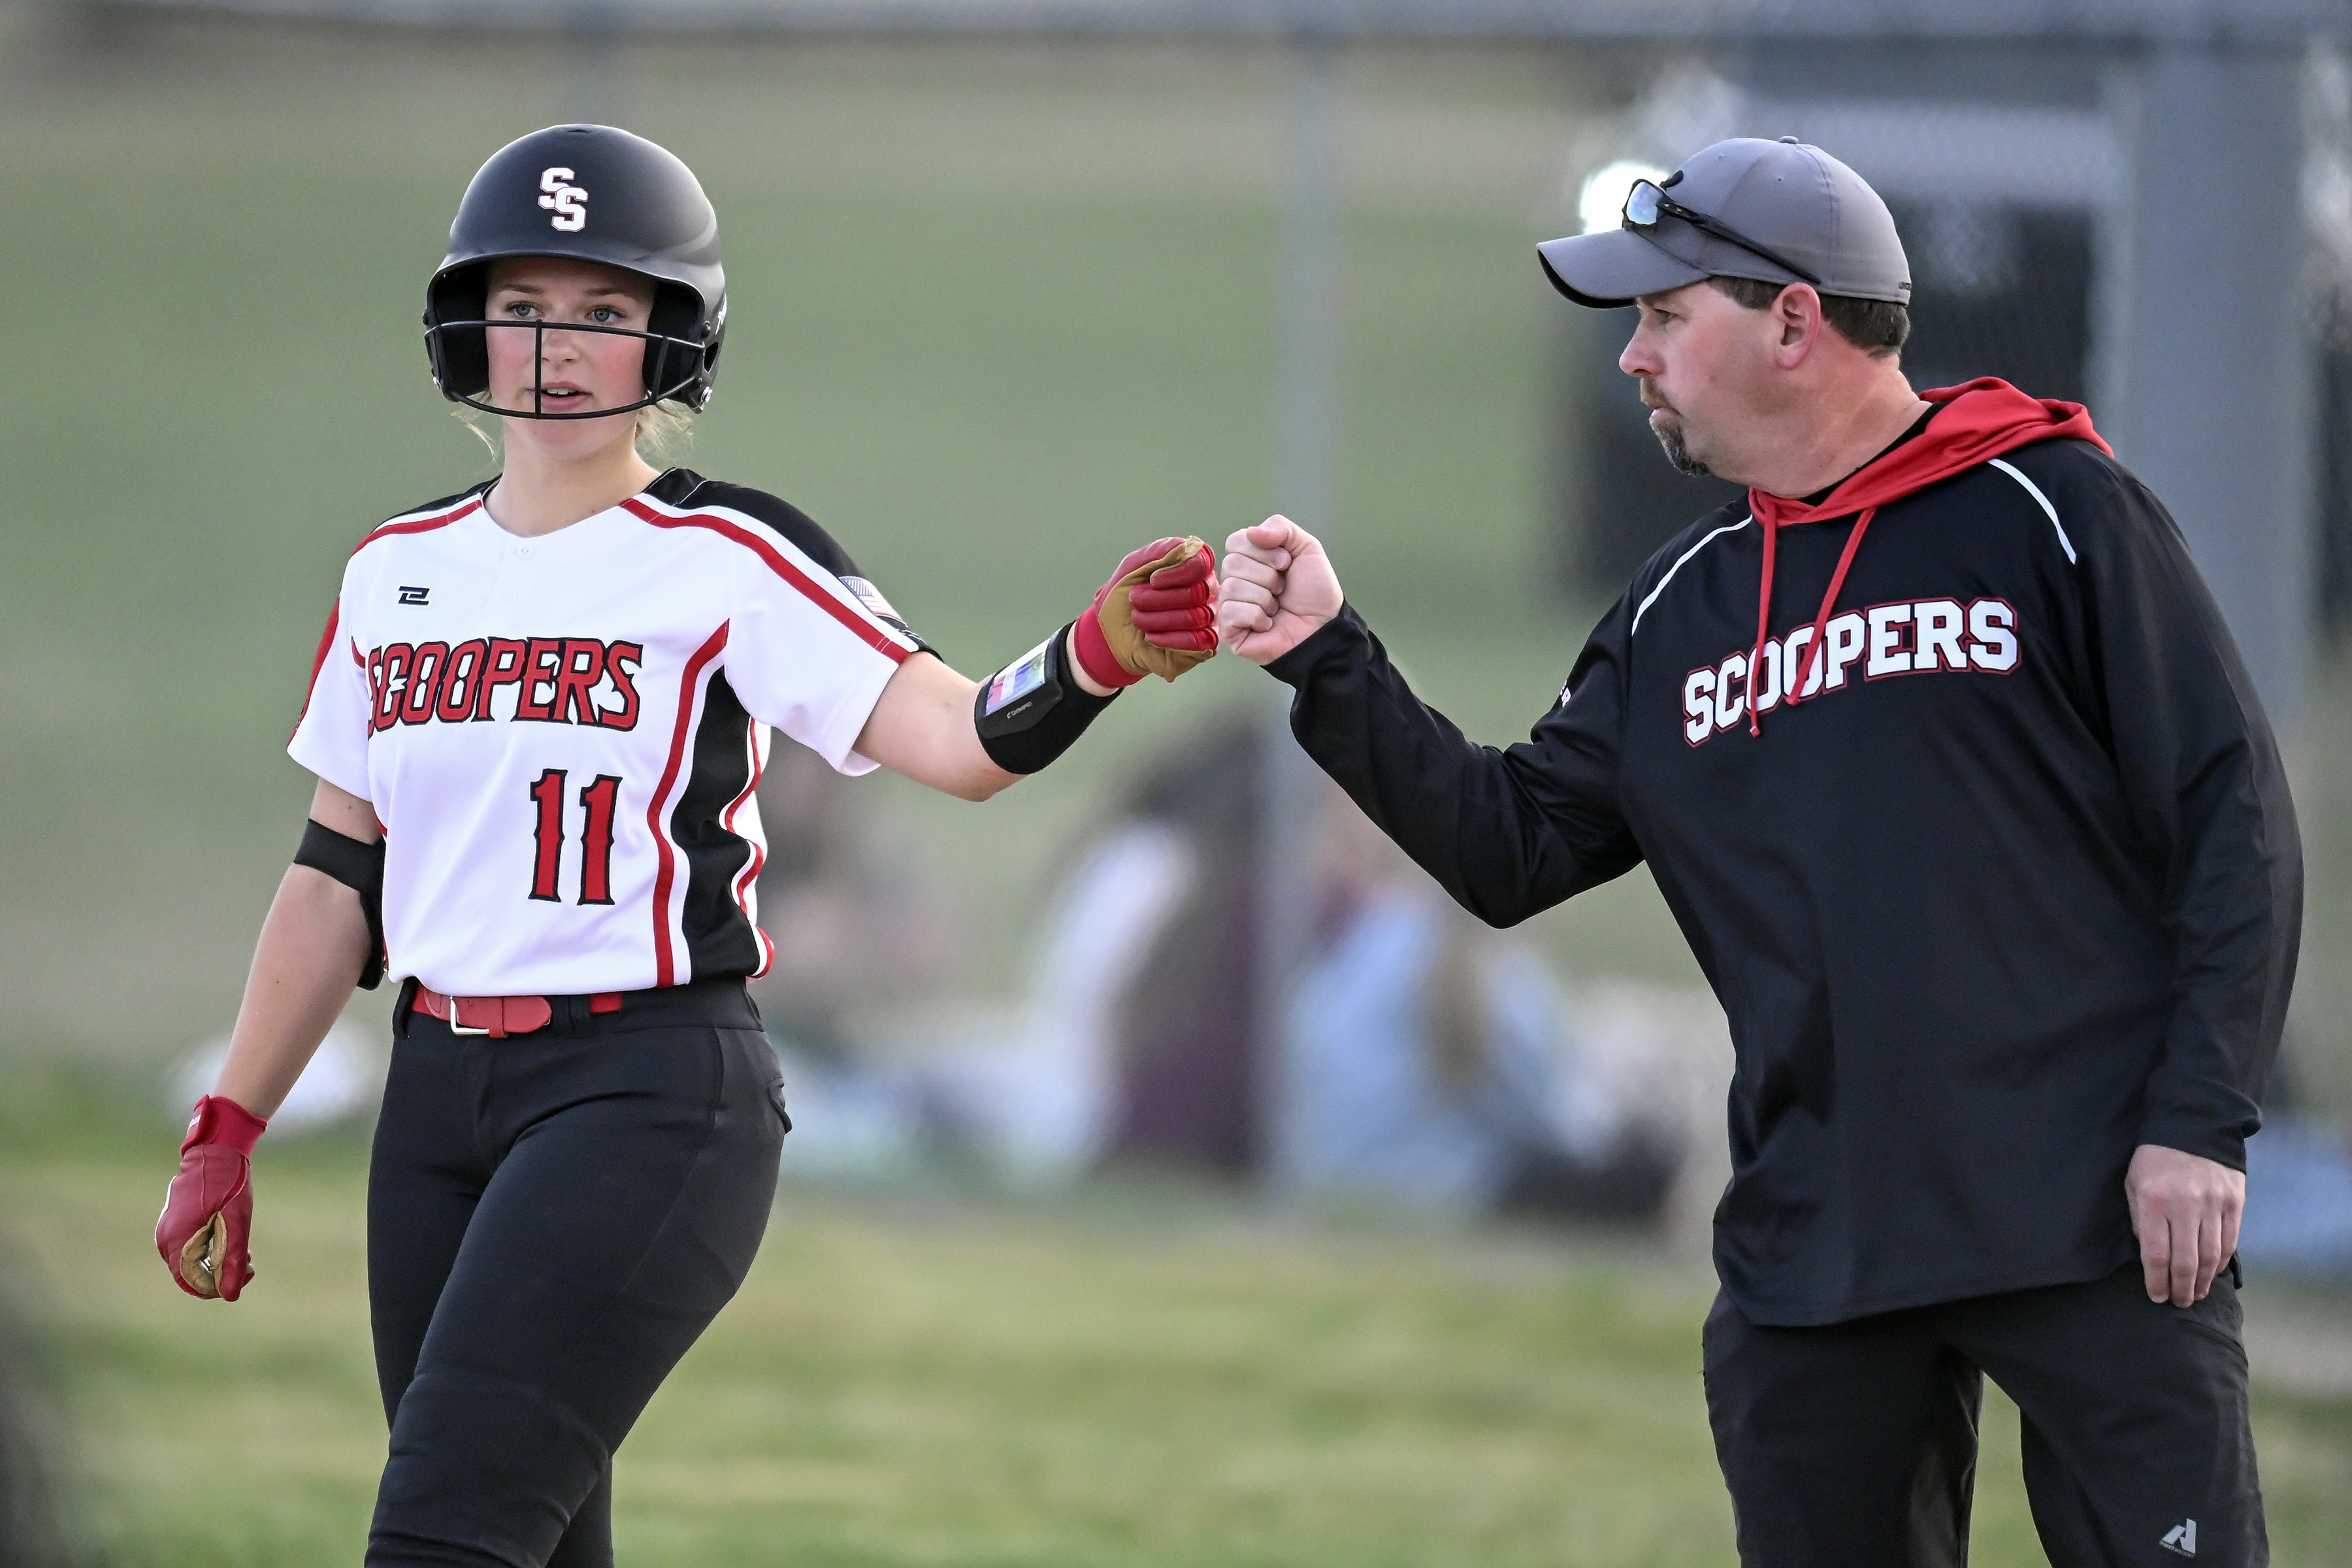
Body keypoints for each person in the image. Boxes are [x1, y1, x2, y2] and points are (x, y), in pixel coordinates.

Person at [1218, 135, 2298, 1567]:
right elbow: (1511, 845)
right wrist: (1329, 660)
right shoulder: (1684, 609)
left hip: (2095, 1213)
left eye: (1664, 316)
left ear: (1793, 321)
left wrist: (2199, 1119)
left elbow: (2236, 817)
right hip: (1820, 1248)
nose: (1633, 358)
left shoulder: (2051, 510)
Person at [153, 123, 1218, 1568]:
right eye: (530, 304)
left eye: (608, 311)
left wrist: (1088, 654)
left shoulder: (727, 555)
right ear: (470, 320)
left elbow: (961, 742)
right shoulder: (394, 571)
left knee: (443, 1539)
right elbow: (337, 875)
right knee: (522, 1542)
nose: (563, 344)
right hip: (434, 1106)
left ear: (676, 340)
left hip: (643, 1093)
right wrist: (232, 1121)